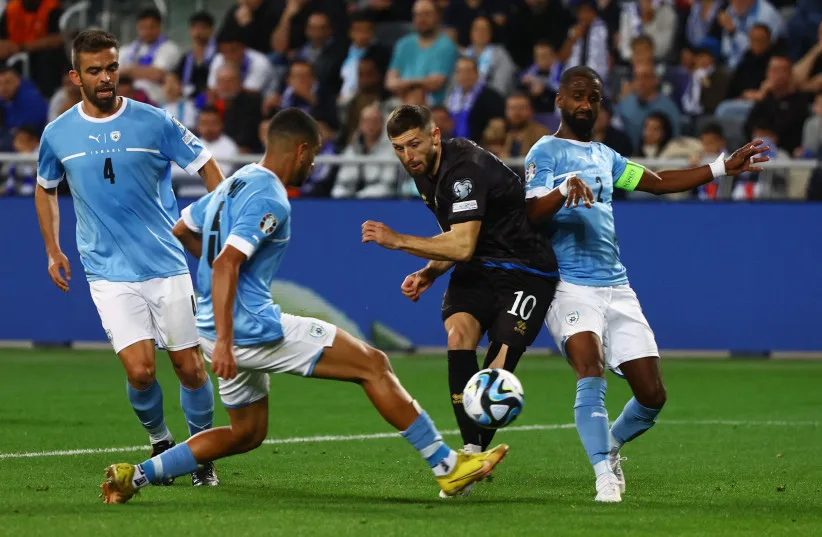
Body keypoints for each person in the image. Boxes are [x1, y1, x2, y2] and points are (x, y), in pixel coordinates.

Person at [99, 108, 508, 504]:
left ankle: (135, 475)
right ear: (299, 150)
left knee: (246, 433)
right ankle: (447, 466)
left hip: (213, 326)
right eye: (312, 156)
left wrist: (220, 313)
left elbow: (184, 228)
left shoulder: (238, 180)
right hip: (247, 329)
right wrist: (227, 335)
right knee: (373, 364)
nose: (312, 166)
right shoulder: (270, 197)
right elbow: (225, 264)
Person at [523, 65, 769, 503]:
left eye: (593, 97)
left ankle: (611, 444)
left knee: (652, 395)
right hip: (569, 285)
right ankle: (603, 475)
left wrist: (720, 167)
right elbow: (531, 213)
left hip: (616, 286)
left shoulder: (606, 156)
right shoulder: (545, 152)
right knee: (590, 366)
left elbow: (655, 182)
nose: (585, 104)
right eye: (577, 95)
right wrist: (562, 190)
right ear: (559, 100)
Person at [34, 30, 226, 486]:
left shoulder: (154, 121)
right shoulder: (57, 133)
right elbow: (45, 188)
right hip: (107, 271)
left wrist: (221, 223)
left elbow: (207, 164)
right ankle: (161, 442)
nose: (105, 78)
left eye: (112, 68)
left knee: (190, 368)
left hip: (166, 264)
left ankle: (201, 455)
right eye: (95, 71)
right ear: (76, 77)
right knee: (140, 372)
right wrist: (53, 249)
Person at [363, 104, 575, 496]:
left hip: (526, 269)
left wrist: (398, 241)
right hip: (480, 265)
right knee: (458, 335)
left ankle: (471, 454)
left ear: (435, 136)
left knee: (496, 371)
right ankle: (471, 457)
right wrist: (429, 272)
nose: (408, 155)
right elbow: (458, 238)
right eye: (398, 148)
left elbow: (461, 245)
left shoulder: (464, 170)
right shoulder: (424, 173)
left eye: (414, 144)